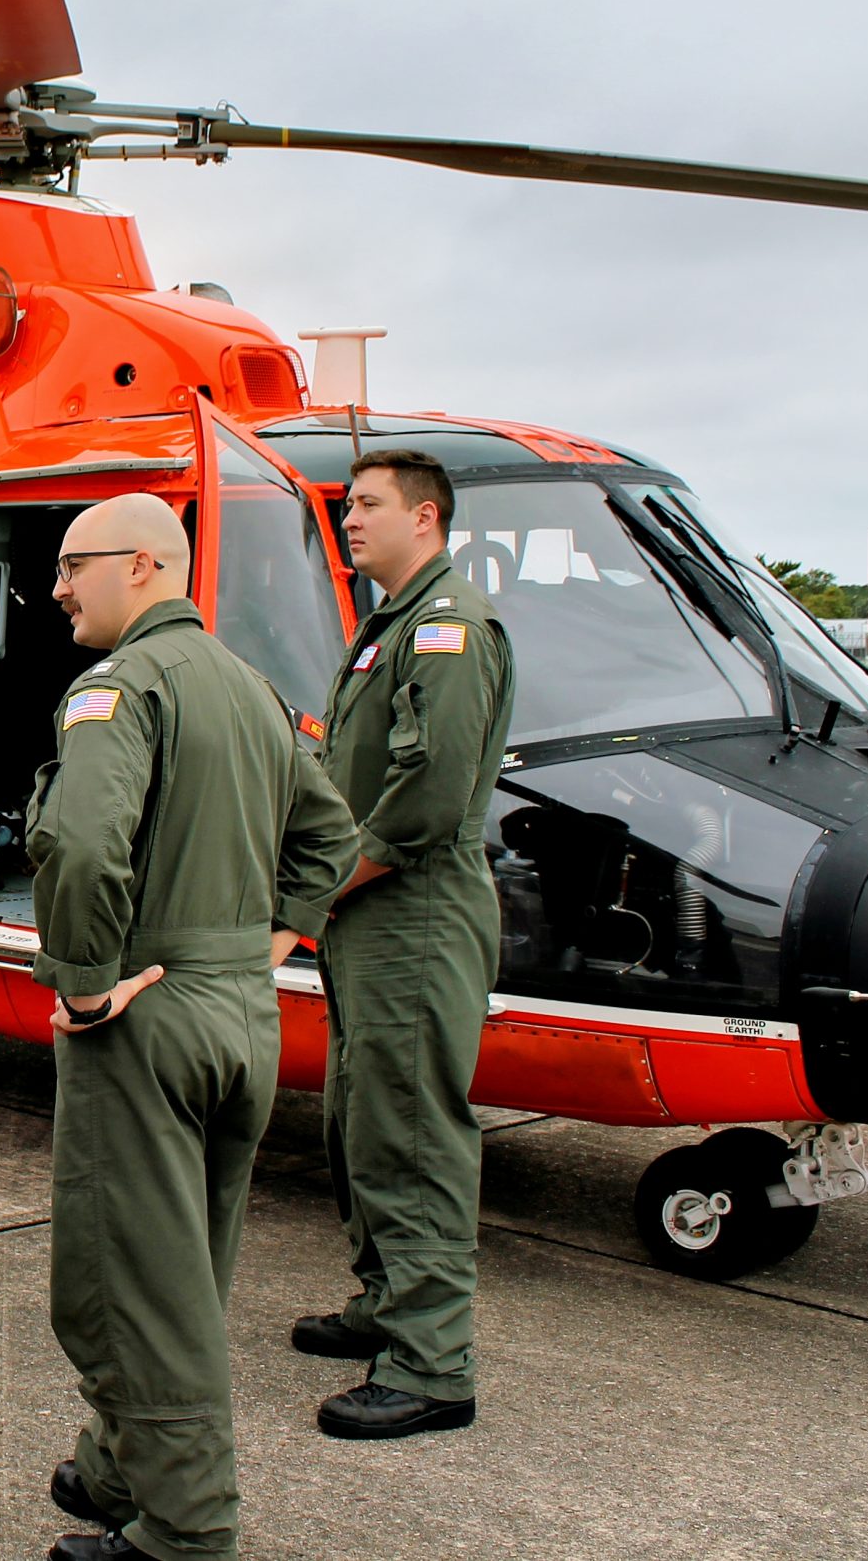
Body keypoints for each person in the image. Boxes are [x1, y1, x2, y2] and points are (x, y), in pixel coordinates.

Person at [24, 494, 358, 1561]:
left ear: (144, 566)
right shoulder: (248, 687)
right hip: (236, 1017)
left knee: (125, 1288)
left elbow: (81, 847)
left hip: (149, 1021)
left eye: (75, 566)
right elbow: (330, 834)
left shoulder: (119, 688)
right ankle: (122, 1464)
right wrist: (272, 943)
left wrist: (83, 985)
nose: (60, 588)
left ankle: (184, 1532)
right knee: (186, 1269)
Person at [299, 448, 514, 1440]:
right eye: (347, 506)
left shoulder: (446, 630)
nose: (349, 520)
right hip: (372, 920)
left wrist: (313, 889)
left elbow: (421, 807)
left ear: (424, 519)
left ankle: (431, 1367)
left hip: (413, 917)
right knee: (361, 1120)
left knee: (413, 1134)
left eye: (369, 506)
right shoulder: (387, 627)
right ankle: (388, 1302)